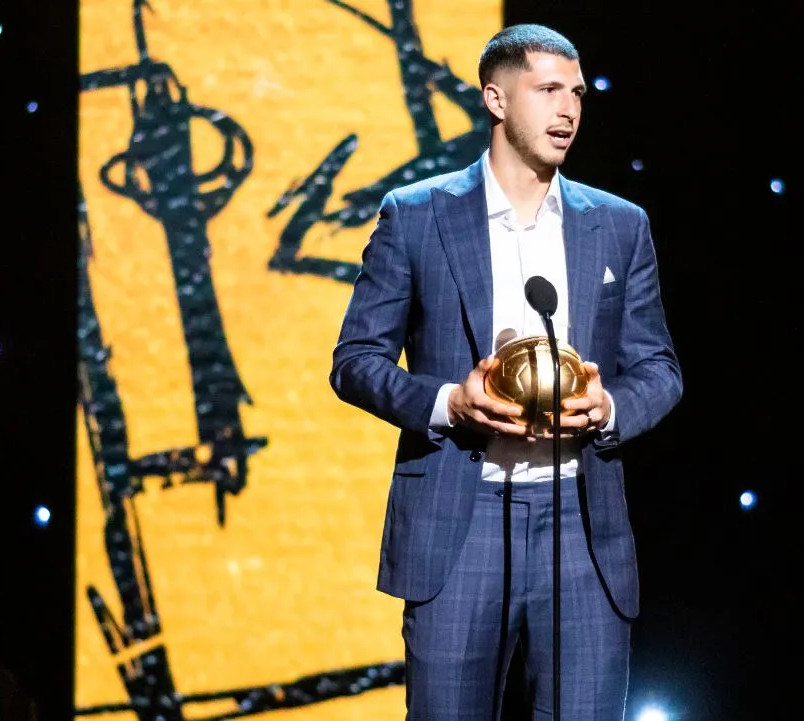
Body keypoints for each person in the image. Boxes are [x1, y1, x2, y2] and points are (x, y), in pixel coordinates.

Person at [330, 23, 682, 721]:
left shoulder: (619, 224)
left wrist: (609, 407)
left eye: (577, 93)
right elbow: (355, 362)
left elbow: (660, 369)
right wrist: (448, 402)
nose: (569, 110)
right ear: (495, 98)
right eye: (548, 90)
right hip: (461, 523)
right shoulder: (416, 216)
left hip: (582, 525)